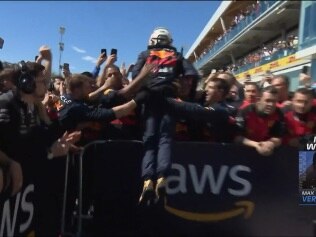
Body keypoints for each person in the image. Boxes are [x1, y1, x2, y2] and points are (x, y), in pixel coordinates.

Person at [0, 58, 81, 235]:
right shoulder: (7, 104)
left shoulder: (30, 107)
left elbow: (33, 143)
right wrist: (50, 153)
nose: (47, 84)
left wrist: (57, 146)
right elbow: (12, 147)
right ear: (26, 83)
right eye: (42, 81)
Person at [132, 27, 199, 204]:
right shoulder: (177, 55)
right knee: (165, 139)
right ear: (169, 40)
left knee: (150, 140)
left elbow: (135, 75)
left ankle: (147, 180)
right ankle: (162, 177)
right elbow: (193, 74)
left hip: (149, 99)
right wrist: (186, 92)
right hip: (170, 99)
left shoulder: (145, 53)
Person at [235, 86, 284, 156]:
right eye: (268, 101)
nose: (271, 104)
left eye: (274, 101)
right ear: (258, 99)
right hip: (244, 151)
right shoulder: (245, 111)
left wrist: (271, 143)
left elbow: (278, 137)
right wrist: (257, 145)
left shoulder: (278, 113)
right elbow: (237, 138)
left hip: (267, 151)